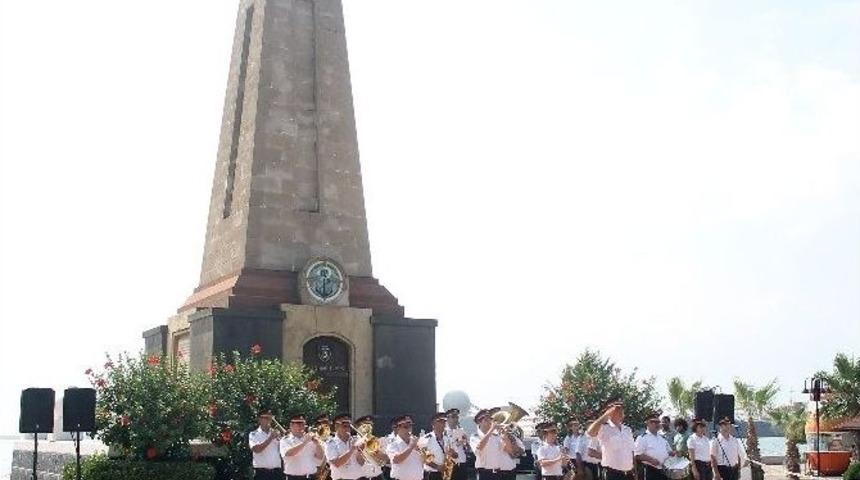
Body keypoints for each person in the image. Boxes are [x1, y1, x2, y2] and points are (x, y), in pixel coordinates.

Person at [587, 402, 636, 480]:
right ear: (609, 411)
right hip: (612, 473)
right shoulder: (604, 428)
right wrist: (604, 416)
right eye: (616, 409)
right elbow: (590, 432)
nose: (620, 411)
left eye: (621, 409)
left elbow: (632, 452)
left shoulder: (627, 430)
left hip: (629, 474)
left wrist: (635, 472)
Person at [281, 413, 325, 480]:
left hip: (310, 477)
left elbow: (320, 457)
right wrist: (304, 442)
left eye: (303, 424)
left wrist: (318, 444)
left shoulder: (311, 439)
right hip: (293, 478)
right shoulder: (285, 440)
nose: (301, 426)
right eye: (298, 423)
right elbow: (288, 454)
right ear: (291, 425)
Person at [326, 413, 366, 480]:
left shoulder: (356, 440)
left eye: (349, 426)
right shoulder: (330, 443)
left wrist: (360, 451)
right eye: (344, 426)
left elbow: (361, 463)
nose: (347, 429)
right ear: (336, 427)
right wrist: (351, 450)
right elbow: (337, 463)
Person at [470, 409, 506, 480]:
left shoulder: (495, 436)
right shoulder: (475, 436)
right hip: (484, 473)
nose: (490, 422)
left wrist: (505, 435)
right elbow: (479, 447)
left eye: (490, 419)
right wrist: (492, 430)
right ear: (479, 422)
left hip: (497, 472)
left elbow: (504, 450)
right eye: (486, 420)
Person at [634, 413, 672, 480]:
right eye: (653, 422)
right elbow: (637, 455)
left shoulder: (662, 438)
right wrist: (650, 460)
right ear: (647, 423)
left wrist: (674, 453)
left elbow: (669, 452)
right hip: (650, 471)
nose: (656, 424)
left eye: (658, 422)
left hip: (663, 471)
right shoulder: (642, 438)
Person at [387, 415, 425, 480]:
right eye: (406, 427)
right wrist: (411, 447)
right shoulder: (393, 444)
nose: (409, 429)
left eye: (411, 426)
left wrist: (421, 451)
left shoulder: (417, 443)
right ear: (398, 428)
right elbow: (396, 460)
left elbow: (425, 461)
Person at [250, 409, 285, 480]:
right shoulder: (253, 434)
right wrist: (270, 438)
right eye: (266, 417)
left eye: (270, 418)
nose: (269, 420)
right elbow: (256, 450)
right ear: (259, 419)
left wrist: (286, 439)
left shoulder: (276, 433)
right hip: (262, 474)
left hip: (277, 473)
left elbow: (284, 452)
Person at [355, 415, 386, 480]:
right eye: (365, 425)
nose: (368, 427)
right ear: (357, 427)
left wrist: (375, 451)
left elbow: (385, 459)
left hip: (377, 475)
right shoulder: (353, 441)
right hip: (361, 477)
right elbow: (358, 461)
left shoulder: (377, 440)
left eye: (370, 425)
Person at [420, 413, 449, 480]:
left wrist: (452, 454)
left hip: (445, 473)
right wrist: (437, 467)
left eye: (444, 421)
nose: (443, 424)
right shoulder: (426, 439)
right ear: (433, 424)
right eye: (441, 421)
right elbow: (424, 456)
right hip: (432, 474)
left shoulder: (447, 438)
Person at [444, 408, 468, 480]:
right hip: (450, 464)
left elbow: (465, 447)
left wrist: (465, 442)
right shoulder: (444, 432)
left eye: (457, 417)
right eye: (453, 417)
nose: (456, 419)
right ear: (447, 418)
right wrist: (457, 443)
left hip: (462, 463)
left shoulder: (461, 431)